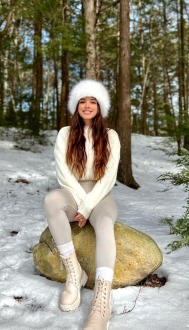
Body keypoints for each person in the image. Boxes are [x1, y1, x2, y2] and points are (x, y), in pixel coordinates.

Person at [44, 79, 120, 330]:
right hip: (72, 192)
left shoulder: (111, 136)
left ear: (100, 107)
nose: (87, 105)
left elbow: (108, 178)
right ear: (76, 106)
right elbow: (64, 174)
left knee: (106, 223)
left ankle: (102, 298)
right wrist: (80, 203)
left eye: (93, 101)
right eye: (82, 101)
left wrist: (88, 207)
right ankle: (74, 272)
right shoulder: (65, 134)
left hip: (101, 195)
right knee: (51, 200)